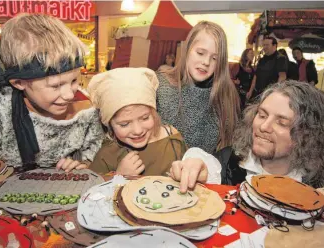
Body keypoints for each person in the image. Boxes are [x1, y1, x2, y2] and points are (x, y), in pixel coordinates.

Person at [0, 14, 104, 172]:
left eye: (73, 81)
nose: (69, 95)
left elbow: (96, 154)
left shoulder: (84, 107)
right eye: (56, 86)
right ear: (19, 83)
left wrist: (83, 165)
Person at [172, 81, 324, 192]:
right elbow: (206, 164)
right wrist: (195, 167)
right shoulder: (230, 163)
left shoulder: (316, 185)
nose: (263, 127)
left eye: (282, 123)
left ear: (307, 134)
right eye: (262, 115)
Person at [156, 21, 240, 155]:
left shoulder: (226, 95)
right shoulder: (160, 85)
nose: (206, 62)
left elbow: (228, 151)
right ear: (187, 49)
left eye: (214, 58)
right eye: (200, 53)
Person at [88, 68, 188, 177]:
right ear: (109, 124)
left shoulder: (171, 140)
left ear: (154, 113)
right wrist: (118, 176)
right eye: (124, 124)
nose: (138, 130)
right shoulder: (106, 155)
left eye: (145, 118)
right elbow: (90, 189)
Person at [247, 36, 287, 100]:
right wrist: (250, 91)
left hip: (270, 94)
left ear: (274, 46)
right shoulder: (262, 59)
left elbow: (282, 77)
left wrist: (275, 92)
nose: (264, 47)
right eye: (264, 45)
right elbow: (256, 76)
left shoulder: (280, 58)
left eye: (267, 45)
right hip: (257, 93)